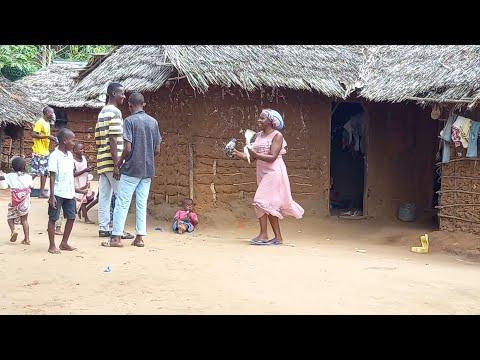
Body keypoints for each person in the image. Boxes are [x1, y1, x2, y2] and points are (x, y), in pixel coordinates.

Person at [233, 108, 304, 245]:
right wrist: (237, 153)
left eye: (262, 118)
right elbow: (252, 159)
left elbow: (272, 157)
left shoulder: (277, 135)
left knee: (259, 201)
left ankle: (263, 235)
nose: (259, 120)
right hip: (262, 172)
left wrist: (253, 153)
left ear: (271, 121)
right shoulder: (258, 136)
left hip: (274, 172)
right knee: (269, 204)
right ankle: (278, 237)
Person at [102, 92, 162, 248]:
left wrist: (119, 163)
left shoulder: (129, 121)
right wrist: (146, 157)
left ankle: (116, 238)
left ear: (129, 105)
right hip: (147, 169)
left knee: (122, 202)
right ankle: (139, 238)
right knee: (141, 204)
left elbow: (127, 148)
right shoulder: (153, 122)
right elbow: (157, 149)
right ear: (144, 105)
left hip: (131, 169)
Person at [95, 82, 134, 240]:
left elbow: (99, 139)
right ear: (113, 94)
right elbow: (113, 139)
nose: (124, 96)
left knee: (104, 196)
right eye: (122, 93)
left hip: (102, 159)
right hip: (112, 161)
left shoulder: (102, 112)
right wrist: (117, 164)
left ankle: (104, 228)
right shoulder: (115, 113)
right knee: (121, 196)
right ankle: (119, 230)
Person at [47, 128, 77, 254]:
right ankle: (52, 245)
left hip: (70, 192)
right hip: (58, 192)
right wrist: (52, 195)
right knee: (53, 218)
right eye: (72, 140)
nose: (74, 143)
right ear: (64, 141)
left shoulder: (70, 155)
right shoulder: (54, 156)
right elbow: (52, 176)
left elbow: (72, 172)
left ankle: (64, 242)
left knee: (71, 217)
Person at [0, 157, 33, 245]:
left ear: (13, 168)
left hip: (15, 202)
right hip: (25, 202)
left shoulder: (10, 176)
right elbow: (31, 186)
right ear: (25, 167)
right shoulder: (28, 177)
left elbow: (2, 178)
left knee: (10, 218)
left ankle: (13, 230)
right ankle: (27, 239)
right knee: (24, 220)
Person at [31, 106, 57, 198]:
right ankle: (23, 187)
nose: (53, 114)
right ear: (47, 113)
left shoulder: (47, 123)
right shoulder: (40, 122)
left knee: (45, 173)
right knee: (35, 172)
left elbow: (45, 135)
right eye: (51, 113)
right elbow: (33, 134)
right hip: (38, 151)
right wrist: (47, 137)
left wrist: (50, 138)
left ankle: (41, 193)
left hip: (45, 152)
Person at [73, 142, 96, 224]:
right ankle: (86, 218)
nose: (83, 150)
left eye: (83, 148)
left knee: (91, 197)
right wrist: (84, 170)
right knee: (83, 201)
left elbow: (86, 167)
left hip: (85, 181)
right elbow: (73, 174)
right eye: (80, 149)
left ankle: (80, 210)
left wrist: (89, 170)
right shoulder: (73, 161)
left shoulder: (84, 158)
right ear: (75, 151)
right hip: (78, 182)